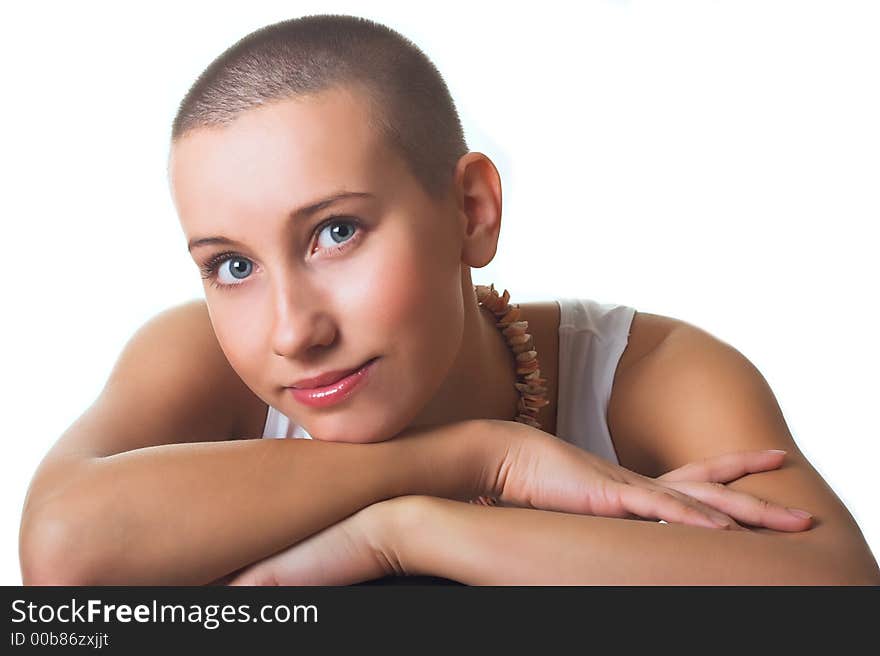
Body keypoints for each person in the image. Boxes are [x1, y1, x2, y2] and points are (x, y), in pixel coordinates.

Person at [19, 14, 879, 586]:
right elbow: (60, 551)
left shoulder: (642, 372)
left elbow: (840, 586)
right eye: (231, 267)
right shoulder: (201, 363)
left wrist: (406, 533)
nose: (291, 331)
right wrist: (477, 459)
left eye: (336, 233)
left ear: (471, 211)